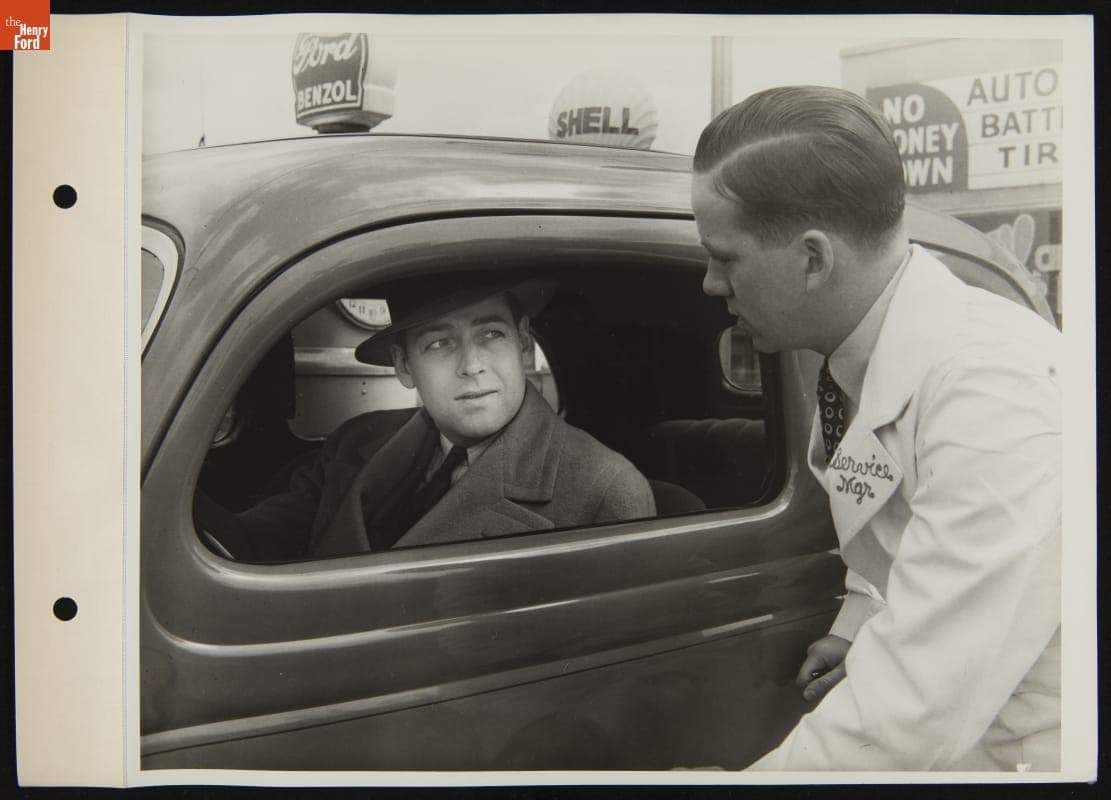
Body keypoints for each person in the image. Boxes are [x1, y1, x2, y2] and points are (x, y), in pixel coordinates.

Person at [691, 86, 1061, 771]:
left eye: (726, 256)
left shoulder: (993, 394)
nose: (711, 283)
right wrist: (861, 622)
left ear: (812, 259)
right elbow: (895, 513)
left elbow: (914, 711)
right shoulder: (856, 353)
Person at [200, 273, 655, 561]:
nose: (471, 365)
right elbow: (249, 544)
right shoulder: (358, 440)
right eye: (439, 344)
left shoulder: (604, 489)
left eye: (491, 334)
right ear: (403, 367)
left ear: (521, 344)